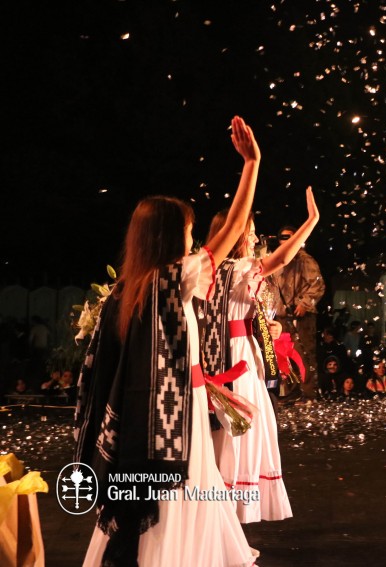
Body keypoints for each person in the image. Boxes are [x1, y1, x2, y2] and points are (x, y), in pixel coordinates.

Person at [73, 116, 260, 566]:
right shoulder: (173, 281)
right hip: (174, 423)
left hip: (163, 412)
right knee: (180, 494)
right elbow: (232, 230)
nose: (194, 240)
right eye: (189, 230)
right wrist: (251, 164)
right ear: (169, 236)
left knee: (197, 489)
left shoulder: (134, 287)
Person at [201, 188, 319, 523]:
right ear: (234, 235)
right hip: (237, 360)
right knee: (242, 430)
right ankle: (230, 514)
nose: (254, 239)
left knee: (227, 433)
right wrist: (310, 222)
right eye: (249, 232)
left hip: (224, 355)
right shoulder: (239, 268)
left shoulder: (209, 270)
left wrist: (267, 329)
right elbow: (281, 259)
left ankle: (223, 516)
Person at [266, 224, 326, 401]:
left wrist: (304, 304)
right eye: (283, 237)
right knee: (285, 354)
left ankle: (308, 393)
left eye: (290, 237)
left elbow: (318, 285)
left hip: (301, 316)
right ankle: (293, 390)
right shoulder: (277, 260)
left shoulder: (305, 260)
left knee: (304, 354)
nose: (287, 241)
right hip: (281, 317)